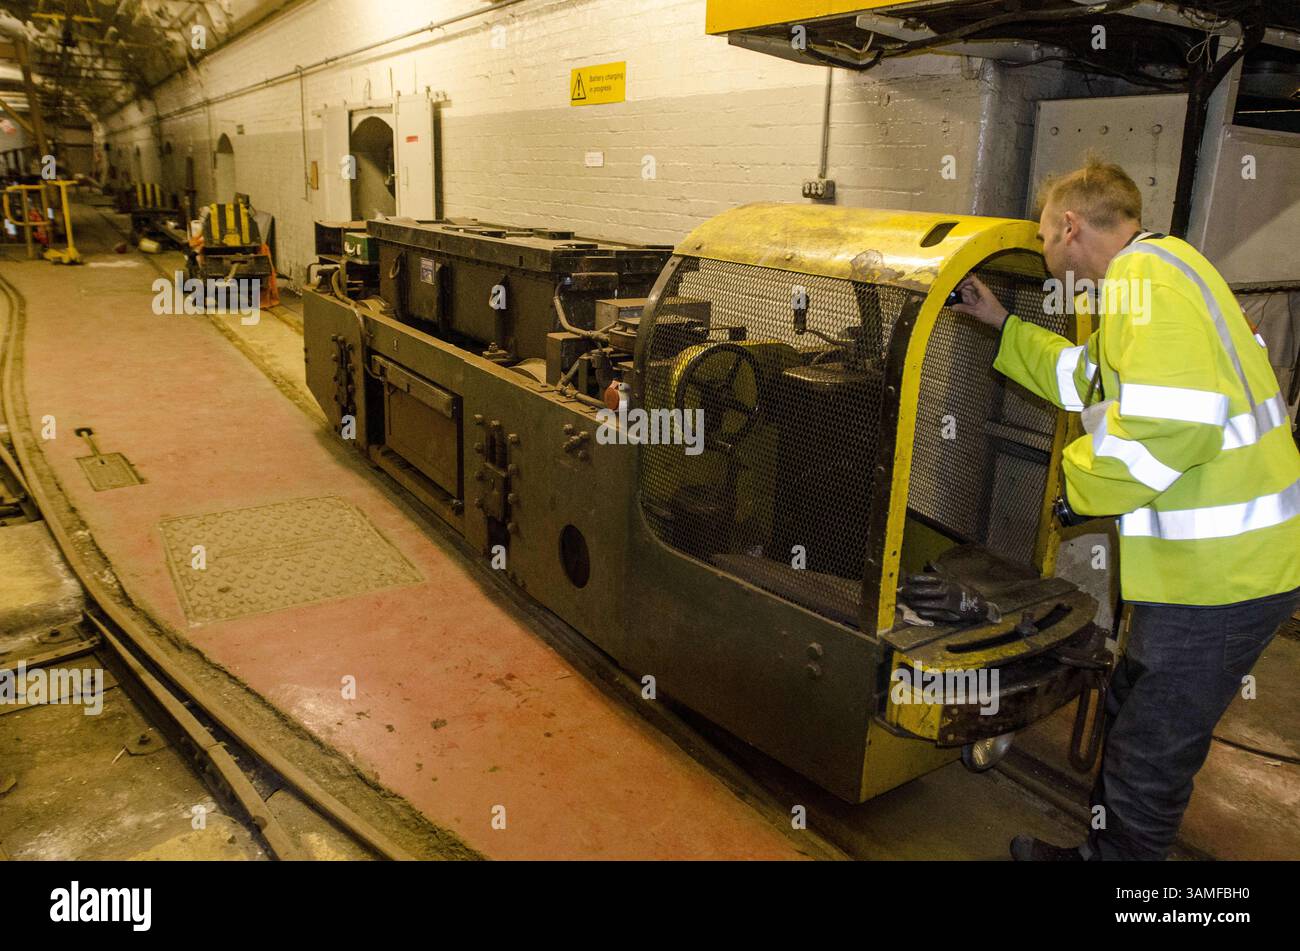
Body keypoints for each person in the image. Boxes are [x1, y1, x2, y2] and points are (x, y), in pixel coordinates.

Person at [950, 158, 1300, 861]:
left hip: (1225, 577)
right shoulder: (1161, 273)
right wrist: (999, 322)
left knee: (1150, 747)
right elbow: (1084, 377)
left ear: (1069, 226)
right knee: (1130, 707)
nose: (1047, 257)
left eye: (1046, 235)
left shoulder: (1144, 282)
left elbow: (1175, 425)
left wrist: (1076, 488)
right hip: (1207, 574)